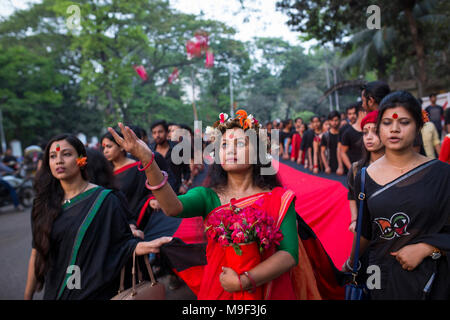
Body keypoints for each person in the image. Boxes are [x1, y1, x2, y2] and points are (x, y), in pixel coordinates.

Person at [108, 111, 345, 300]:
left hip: (272, 290)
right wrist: (147, 159)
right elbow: (172, 208)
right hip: (220, 291)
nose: (230, 149)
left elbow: (288, 254)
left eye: (240, 143)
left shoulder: (279, 198)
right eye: (223, 145)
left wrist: (244, 281)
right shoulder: (208, 196)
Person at [24, 134, 172, 300]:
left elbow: (122, 245)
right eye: (53, 156)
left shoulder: (105, 200)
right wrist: (27, 296)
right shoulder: (42, 205)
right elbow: (36, 252)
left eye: (66, 154)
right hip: (57, 291)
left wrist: (141, 247)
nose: (58, 160)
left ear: (81, 160)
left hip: (94, 290)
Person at [343, 91, 450, 299]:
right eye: (386, 123)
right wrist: (350, 262)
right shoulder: (364, 177)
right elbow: (365, 232)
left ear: (419, 125)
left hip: (431, 279)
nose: (394, 129)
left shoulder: (442, 175)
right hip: (380, 275)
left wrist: (428, 249)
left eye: (404, 122)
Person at [346, 110, 384, 234]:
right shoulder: (356, 168)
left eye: (375, 131)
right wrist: (354, 220)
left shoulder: (396, 168)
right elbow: (352, 195)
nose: (369, 137)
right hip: (365, 230)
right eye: (365, 132)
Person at [149, 120, 191, 195]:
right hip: (157, 193)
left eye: (160, 132)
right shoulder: (149, 151)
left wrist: (184, 185)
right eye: (154, 133)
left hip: (176, 191)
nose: (157, 135)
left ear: (167, 133)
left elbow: (187, 171)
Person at [340, 103, 366, 172]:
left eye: (353, 113)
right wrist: (351, 169)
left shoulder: (369, 130)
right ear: (361, 113)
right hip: (354, 169)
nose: (352, 116)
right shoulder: (347, 131)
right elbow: (342, 152)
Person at [336, 104, 358, 175]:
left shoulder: (363, 126)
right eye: (350, 114)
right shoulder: (343, 129)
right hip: (348, 164)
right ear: (347, 115)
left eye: (354, 113)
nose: (352, 116)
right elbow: (339, 148)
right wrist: (340, 166)